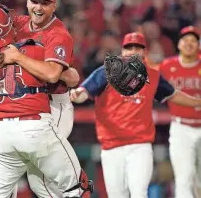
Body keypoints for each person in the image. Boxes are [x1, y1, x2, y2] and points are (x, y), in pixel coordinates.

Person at [0, 2, 92, 197]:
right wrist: (19, 57)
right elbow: (71, 77)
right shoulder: (34, 49)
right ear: (10, 25)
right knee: (78, 188)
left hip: (2, 134)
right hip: (35, 128)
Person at [70, 32, 201, 198]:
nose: (133, 51)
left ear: (144, 51)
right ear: (122, 50)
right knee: (117, 195)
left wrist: (198, 102)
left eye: (137, 47)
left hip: (140, 145)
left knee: (139, 192)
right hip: (111, 145)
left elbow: (174, 95)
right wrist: (77, 94)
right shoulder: (107, 71)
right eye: (129, 47)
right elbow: (85, 91)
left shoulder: (152, 75)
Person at [159, 26, 201, 198]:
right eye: (185, 40)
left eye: (193, 41)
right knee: (184, 179)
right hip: (180, 127)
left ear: (198, 45)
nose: (189, 44)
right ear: (179, 44)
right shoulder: (167, 66)